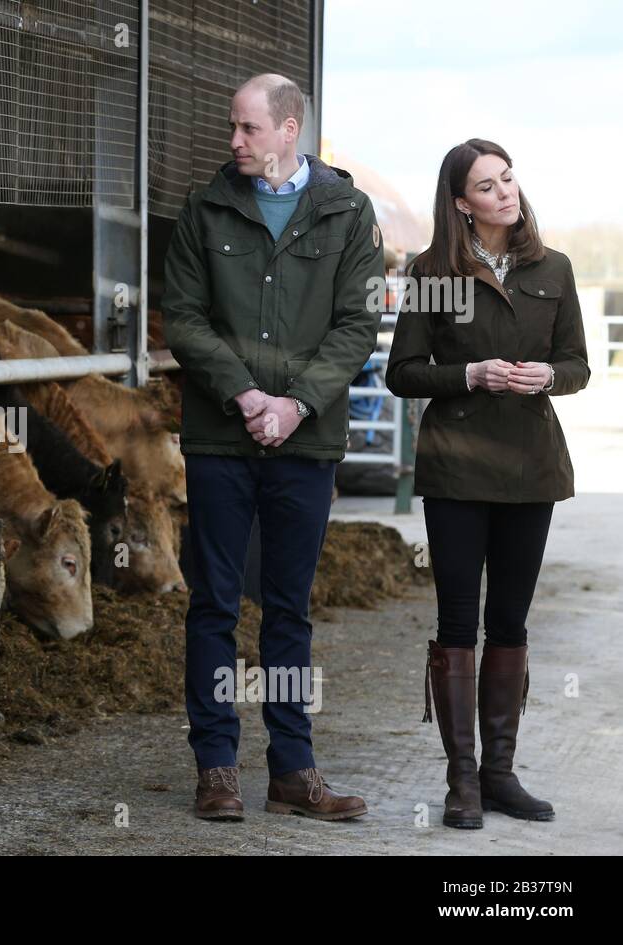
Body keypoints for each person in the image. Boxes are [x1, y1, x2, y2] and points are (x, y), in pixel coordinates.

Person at [162, 73, 383, 820]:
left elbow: (356, 325)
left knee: (289, 608)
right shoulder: (205, 207)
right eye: (235, 127)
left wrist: (295, 405)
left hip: (306, 441)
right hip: (222, 436)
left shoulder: (347, 213)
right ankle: (217, 767)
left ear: (290, 129)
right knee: (214, 603)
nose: (234, 141)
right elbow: (184, 319)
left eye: (248, 128)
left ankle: (292, 768)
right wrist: (249, 396)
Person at [385, 139, 589, 829]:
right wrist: (469, 375)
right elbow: (403, 370)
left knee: (510, 620)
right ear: (461, 203)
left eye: (508, 178)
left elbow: (578, 364)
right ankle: (462, 780)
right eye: (486, 185)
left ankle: (501, 773)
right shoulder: (432, 272)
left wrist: (548, 377)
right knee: (456, 621)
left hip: (532, 468)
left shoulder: (552, 267)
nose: (505, 192)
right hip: (456, 467)